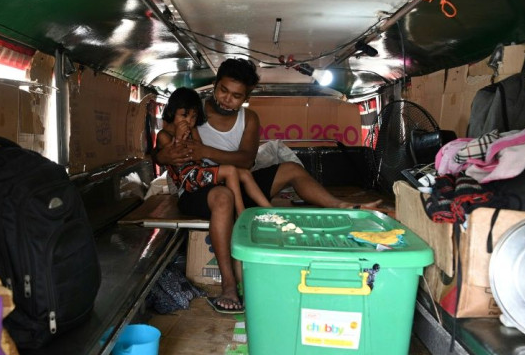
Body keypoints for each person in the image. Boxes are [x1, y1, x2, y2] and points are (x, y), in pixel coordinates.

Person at [154, 58, 379, 314]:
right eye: (223, 91)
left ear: (246, 98)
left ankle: (344, 207)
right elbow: (162, 148)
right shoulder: (195, 112)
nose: (227, 99)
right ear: (215, 86)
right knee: (224, 196)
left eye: (236, 96)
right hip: (201, 191)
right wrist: (163, 156)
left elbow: (247, 159)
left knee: (291, 169)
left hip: (239, 180)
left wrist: (206, 150)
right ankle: (229, 286)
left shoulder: (248, 118)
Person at [157, 87, 272, 217]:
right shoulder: (163, 135)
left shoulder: (192, 129)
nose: (189, 121)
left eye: (193, 117)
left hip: (199, 169)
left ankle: (271, 210)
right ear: (172, 112)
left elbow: (199, 148)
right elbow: (177, 157)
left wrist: (192, 134)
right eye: (184, 115)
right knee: (230, 171)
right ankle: (241, 214)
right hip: (187, 178)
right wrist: (179, 137)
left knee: (244, 173)